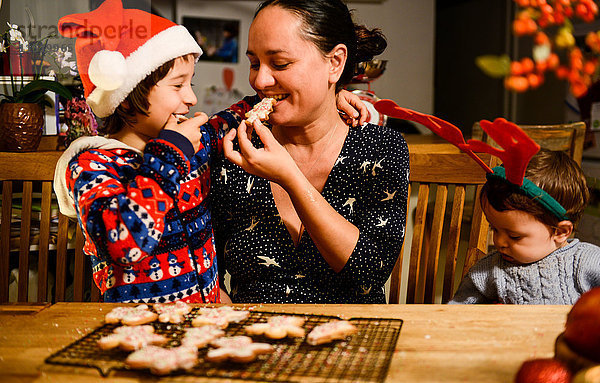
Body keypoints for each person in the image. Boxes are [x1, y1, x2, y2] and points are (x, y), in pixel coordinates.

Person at [53, 0, 367, 303]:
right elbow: (123, 246)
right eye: (177, 86)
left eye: (190, 83)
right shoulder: (92, 165)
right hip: (141, 330)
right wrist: (167, 158)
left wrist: (328, 97)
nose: (191, 98)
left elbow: (248, 110)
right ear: (124, 98)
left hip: (203, 324)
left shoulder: (194, 143)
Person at [211, 0, 409, 303]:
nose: (259, 81)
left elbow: (369, 272)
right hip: (250, 338)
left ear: (335, 63)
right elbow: (207, 276)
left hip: (353, 337)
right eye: (254, 63)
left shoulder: (383, 149)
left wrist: (290, 178)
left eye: (279, 64)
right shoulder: (235, 151)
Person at [450, 149, 600, 304]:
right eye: (494, 229)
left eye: (515, 236)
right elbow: (456, 312)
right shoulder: (488, 270)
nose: (499, 242)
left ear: (560, 232)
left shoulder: (586, 261)